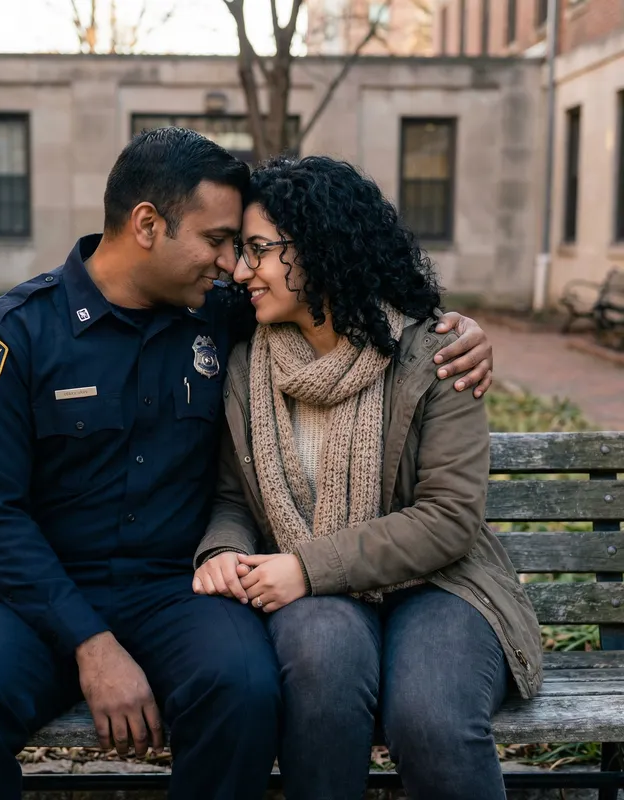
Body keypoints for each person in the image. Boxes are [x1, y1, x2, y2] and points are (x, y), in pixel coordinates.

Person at [0, 129, 495, 800]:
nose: (231, 265)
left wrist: (463, 334)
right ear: (148, 225)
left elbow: (344, 302)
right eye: (218, 241)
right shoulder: (12, 337)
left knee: (243, 690)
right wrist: (92, 644)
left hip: (171, 589)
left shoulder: (223, 316)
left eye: (242, 247)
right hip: (38, 594)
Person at [193, 155, 542, 800]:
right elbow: (232, 496)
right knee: (322, 666)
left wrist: (305, 566)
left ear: (320, 250)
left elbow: (448, 519)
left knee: (432, 716)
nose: (241, 270)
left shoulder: (433, 357)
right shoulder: (245, 365)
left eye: (258, 251)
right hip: (313, 595)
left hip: (442, 586)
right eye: (239, 251)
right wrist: (225, 548)